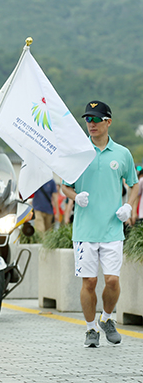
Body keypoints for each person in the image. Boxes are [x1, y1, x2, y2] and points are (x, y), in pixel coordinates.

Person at [61, 101, 139, 348]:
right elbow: (65, 185)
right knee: (90, 282)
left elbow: (134, 184)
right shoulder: (79, 152)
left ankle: (106, 318)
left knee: (113, 281)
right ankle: (90, 329)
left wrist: (129, 206)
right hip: (84, 230)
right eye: (88, 119)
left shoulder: (122, 154)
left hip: (112, 229)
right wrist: (75, 197)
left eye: (96, 119)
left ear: (108, 122)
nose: (91, 124)